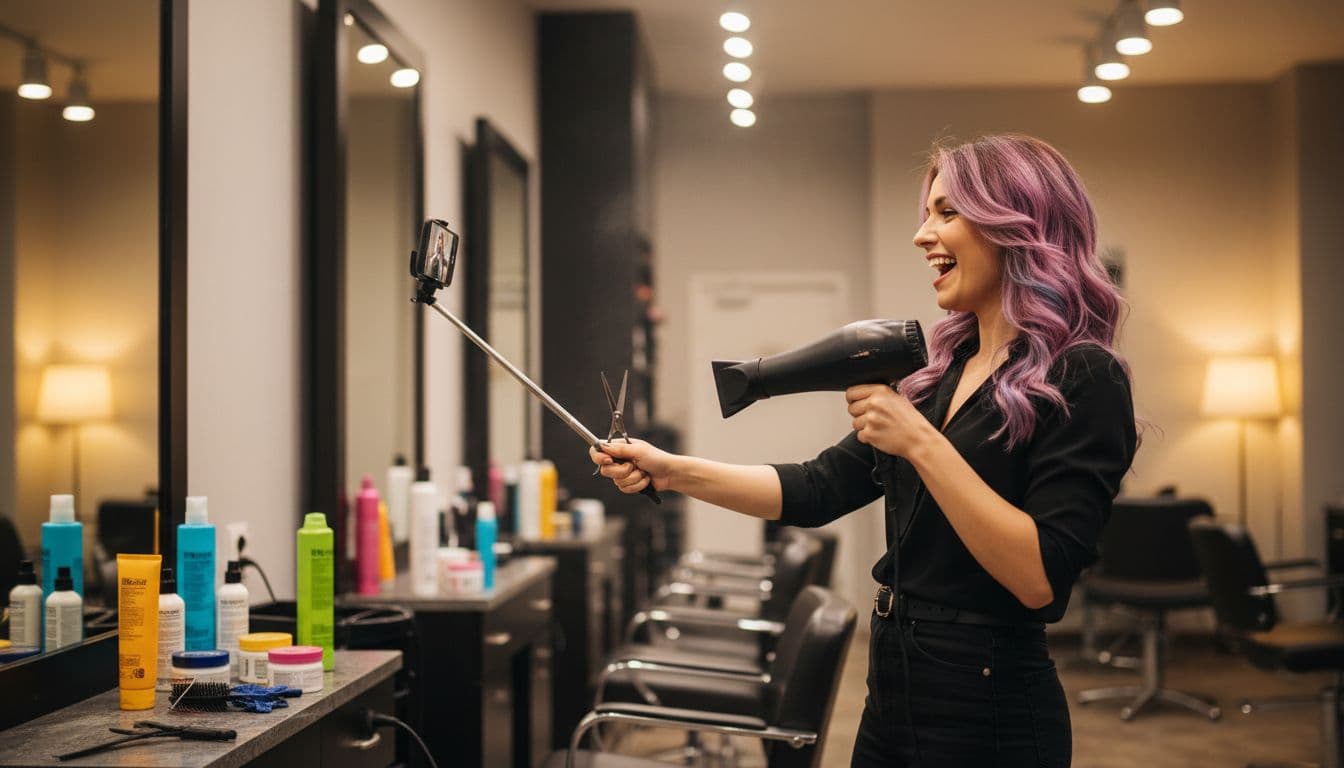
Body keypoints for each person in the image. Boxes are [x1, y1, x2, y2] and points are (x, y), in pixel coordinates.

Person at [591, 134, 1137, 766]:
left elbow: (1040, 578)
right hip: (895, 685)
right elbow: (819, 488)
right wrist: (671, 469)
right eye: (926, 213)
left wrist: (921, 444)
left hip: (988, 705)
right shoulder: (943, 374)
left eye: (947, 213)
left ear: (1017, 227)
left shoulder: (1083, 377)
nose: (923, 235)